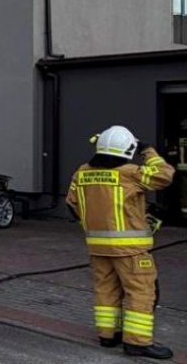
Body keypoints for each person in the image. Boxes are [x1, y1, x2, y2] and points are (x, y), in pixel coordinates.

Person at [66, 126, 174, 359]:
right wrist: (148, 151)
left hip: (97, 247)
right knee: (140, 292)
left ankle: (108, 335)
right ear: (128, 150)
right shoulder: (130, 172)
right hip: (131, 250)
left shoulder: (81, 173)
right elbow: (165, 175)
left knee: (106, 290)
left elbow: (72, 205)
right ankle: (137, 343)